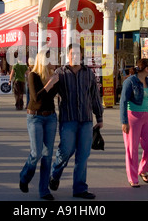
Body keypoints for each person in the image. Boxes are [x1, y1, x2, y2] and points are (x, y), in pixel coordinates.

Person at [49, 43, 103, 199]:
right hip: (68, 120)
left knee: (83, 155)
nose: (75, 57)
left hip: (86, 120)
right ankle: (55, 173)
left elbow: (94, 96)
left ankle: (80, 188)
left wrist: (99, 117)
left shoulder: (89, 74)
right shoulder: (61, 73)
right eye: (72, 54)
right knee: (66, 150)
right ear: (68, 55)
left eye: (78, 54)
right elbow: (49, 94)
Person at [19, 49, 59, 200]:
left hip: (50, 117)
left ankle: (44, 190)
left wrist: (54, 82)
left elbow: (52, 97)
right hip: (35, 116)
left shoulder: (55, 77)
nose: (54, 62)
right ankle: (24, 176)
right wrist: (50, 83)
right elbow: (36, 98)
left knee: (47, 154)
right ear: (44, 61)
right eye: (52, 59)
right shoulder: (33, 75)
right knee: (36, 153)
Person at [120, 58, 148, 187]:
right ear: (146, 68)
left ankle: (142, 169)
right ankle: (133, 178)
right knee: (132, 149)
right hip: (133, 117)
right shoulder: (130, 81)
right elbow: (123, 101)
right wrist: (124, 121)